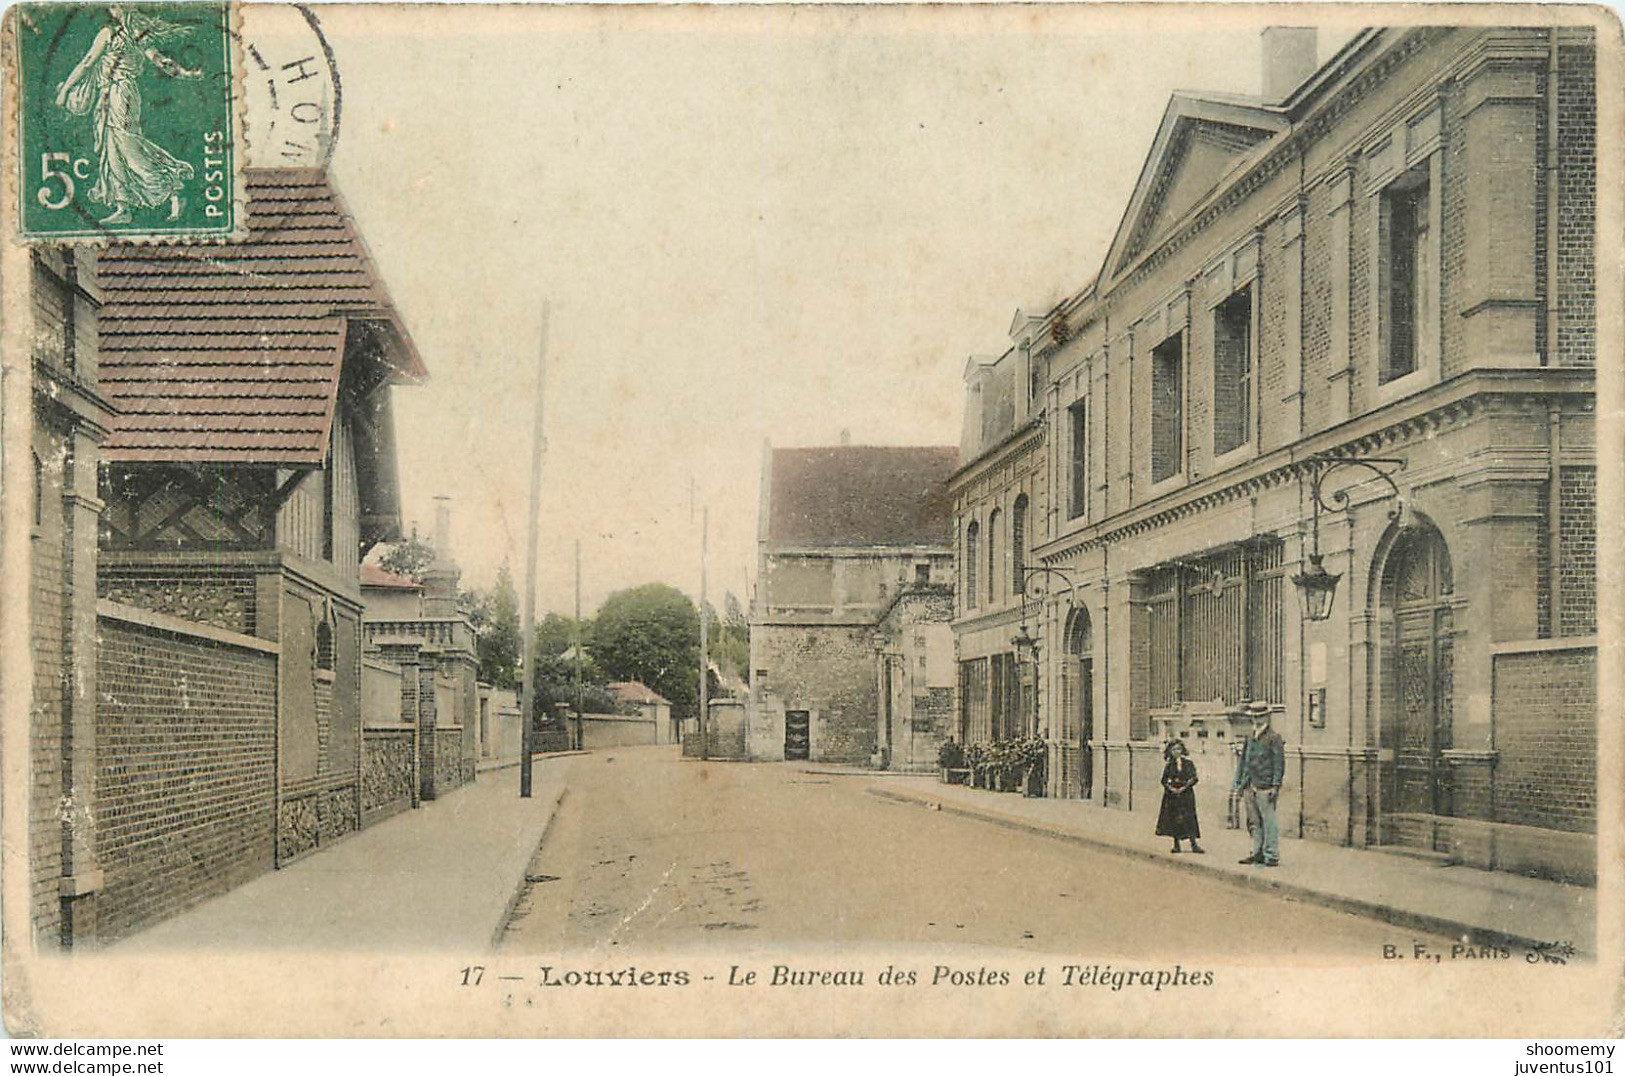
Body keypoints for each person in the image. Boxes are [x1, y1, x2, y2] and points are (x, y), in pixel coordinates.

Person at [54, 6, 202, 225]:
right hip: (118, 93)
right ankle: (124, 206)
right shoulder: (138, 37)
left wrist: (66, 90)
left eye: (114, 4)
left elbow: (87, 63)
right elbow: (163, 62)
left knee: (125, 145)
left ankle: (173, 186)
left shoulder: (109, 33)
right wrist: (187, 74)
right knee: (112, 147)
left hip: (118, 92)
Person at [1233, 700, 1285, 867]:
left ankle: (1271, 855)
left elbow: (1279, 764)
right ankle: (1257, 852)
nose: (1257, 719)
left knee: (1268, 821)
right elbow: (1243, 762)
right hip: (1250, 784)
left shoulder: (1274, 738)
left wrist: (1276, 786)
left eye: (1261, 716)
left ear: (1267, 717)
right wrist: (1238, 784)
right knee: (1254, 822)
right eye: (1255, 717)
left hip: (1266, 786)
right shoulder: (1250, 737)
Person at [1155, 738, 1203, 854]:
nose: (1177, 751)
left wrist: (1184, 787)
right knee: (1174, 819)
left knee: (1189, 818)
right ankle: (1176, 845)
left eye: (1179, 749)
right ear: (1170, 751)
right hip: (1172, 796)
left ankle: (1194, 844)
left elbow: (1194, 778)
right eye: (1174, 749)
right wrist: (1171, 788)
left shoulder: (1188, 763)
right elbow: (1163, 780)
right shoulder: (1169, 765)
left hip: (1186, 795)